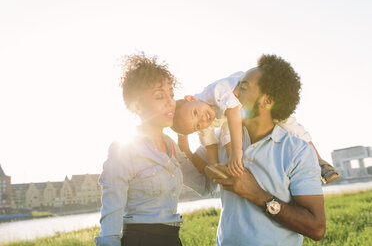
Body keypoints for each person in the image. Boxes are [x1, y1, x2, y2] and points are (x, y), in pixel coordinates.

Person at [199, 54, 326, 245]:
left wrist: (258, 195)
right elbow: (187, 173)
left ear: (267, 101)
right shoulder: (222, 141)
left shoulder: (297, 152)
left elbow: (316, 228)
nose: (233, 94)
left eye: (243, 88)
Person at [94, 53, 212, 246]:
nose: (170, 102)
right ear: (137, 106)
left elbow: (206, 186)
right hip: (140, 240)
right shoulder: (123, 149)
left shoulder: (172, 148)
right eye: (159, 96)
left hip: (173, 239)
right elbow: (111, 216)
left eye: (172, 95)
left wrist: (212, 131)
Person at [172, 71, 339, 184]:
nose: (202, 120)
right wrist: (215, 166)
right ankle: (238, 169)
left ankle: (320, 161)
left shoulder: (215, 91)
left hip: (255, 92)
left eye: (195, 113)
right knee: (225, 133)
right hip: (243, 110)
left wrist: (236, 152)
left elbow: (233, 113)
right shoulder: (205, 120)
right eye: (197, 126)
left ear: (190, 98)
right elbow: (210, 145)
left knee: (287, 122)